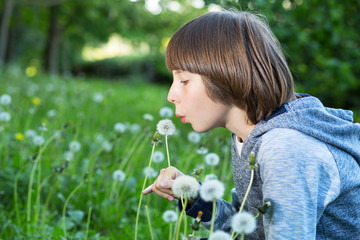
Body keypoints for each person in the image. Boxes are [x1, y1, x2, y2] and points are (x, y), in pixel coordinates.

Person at [142, 10, 360, 239]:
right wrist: (193, 196)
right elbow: (251, 229)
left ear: (227, 75)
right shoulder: (248, 136)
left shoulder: (285, 149)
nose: (171, 95)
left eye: (184, 80)